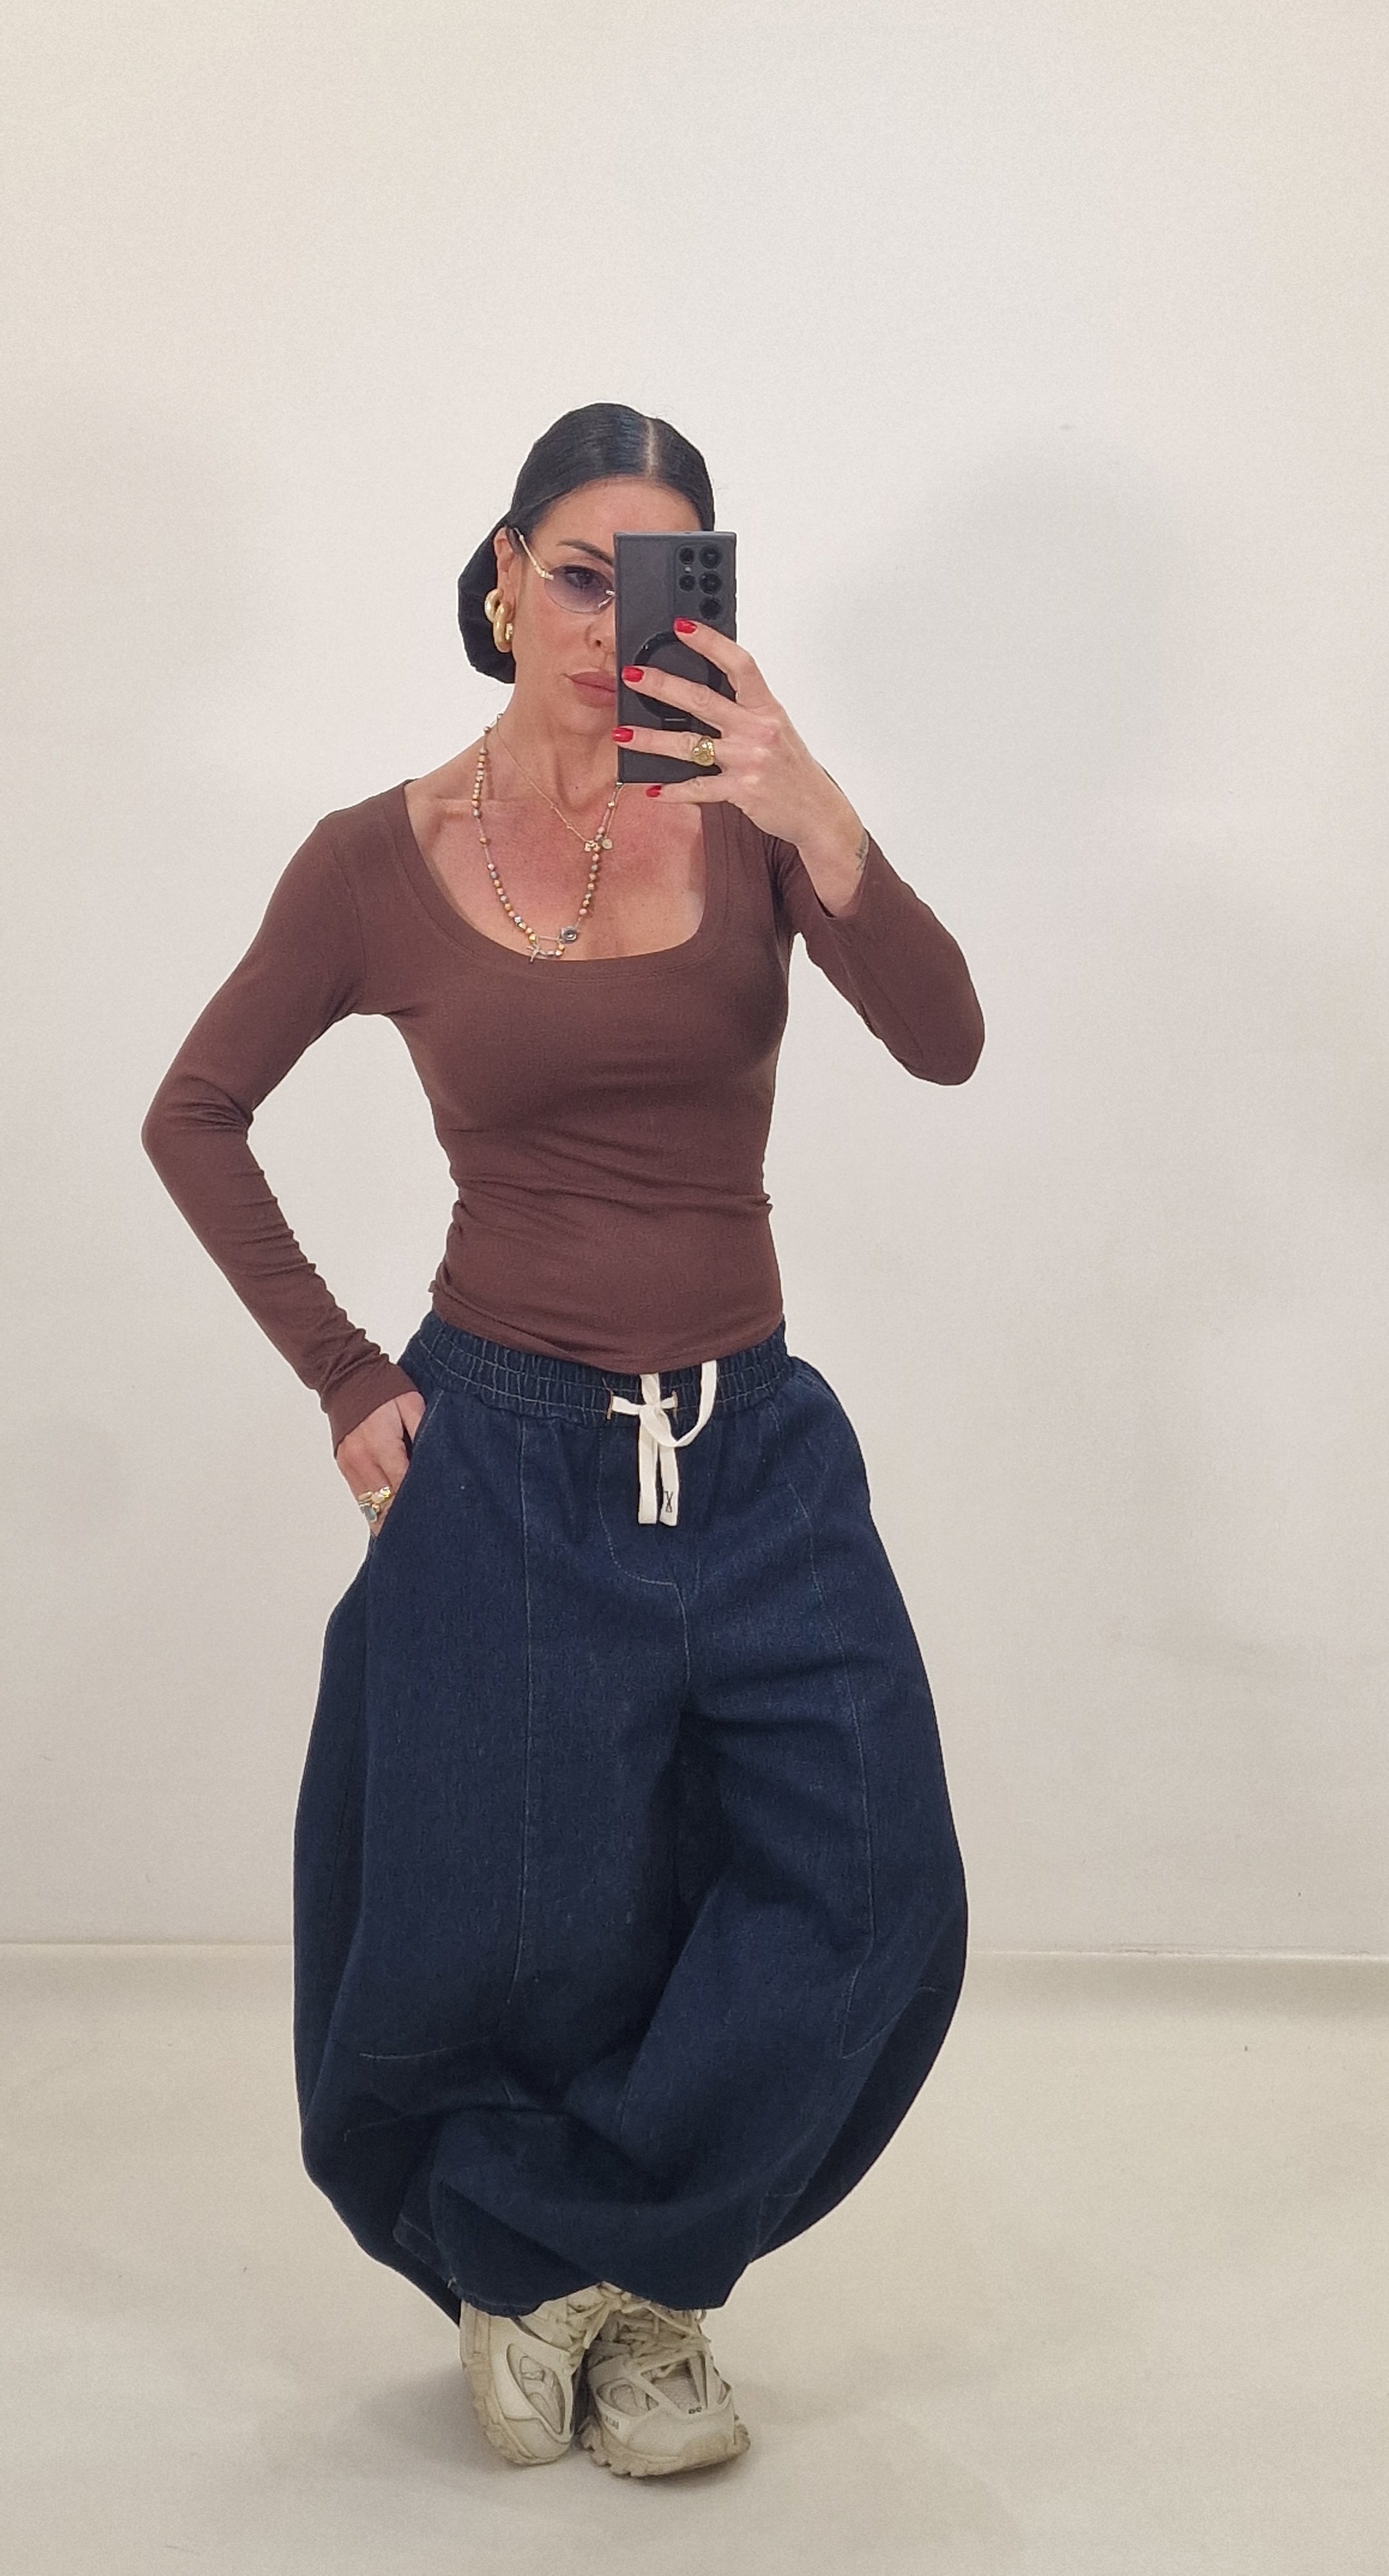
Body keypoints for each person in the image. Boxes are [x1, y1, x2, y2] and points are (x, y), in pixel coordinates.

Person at [140, 400, 985, 2482]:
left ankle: (604, 2270)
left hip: (752, 1443)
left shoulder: (751, 817)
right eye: (582, 575)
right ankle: (587, 2298)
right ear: (506, 576)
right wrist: (348, 1376)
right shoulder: (373, 857)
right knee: (508, 1923)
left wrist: (816, 806)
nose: (616, 623)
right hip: (503, 1444)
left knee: (873, 1887)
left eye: (664, 582)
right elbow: (194, 1114)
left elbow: (946, 1041)